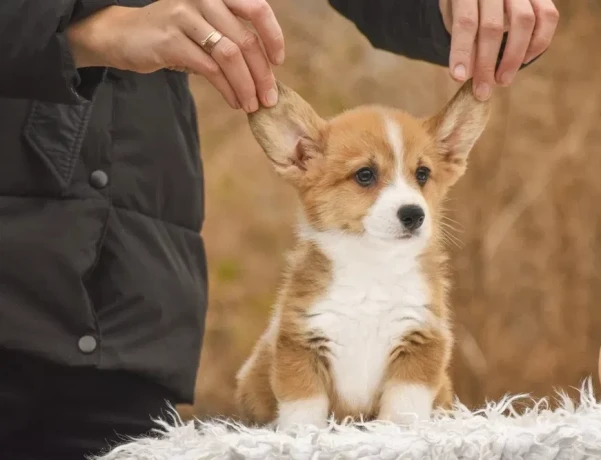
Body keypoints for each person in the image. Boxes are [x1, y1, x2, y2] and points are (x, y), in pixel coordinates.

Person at [0, 0, 558, 458]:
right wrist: (87, 28)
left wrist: (471, 17)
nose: (405, 199)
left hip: (130, 310)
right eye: (366, 177)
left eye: (417, 177)